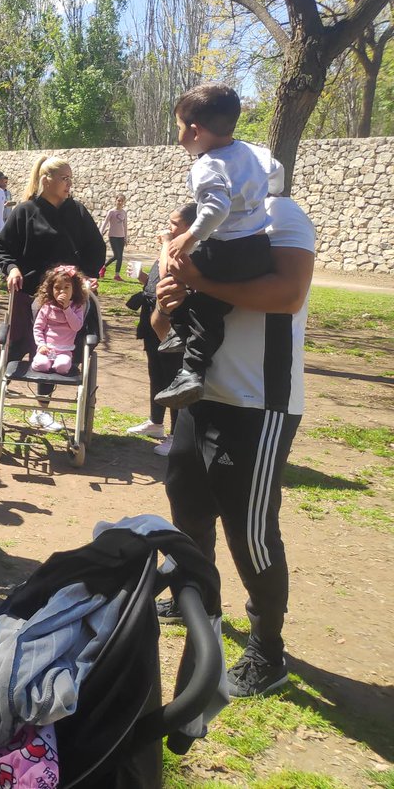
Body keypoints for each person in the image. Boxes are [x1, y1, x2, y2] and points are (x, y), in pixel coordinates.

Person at [154, 186, 315, 698]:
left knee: (250, 532)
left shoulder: (281, 218)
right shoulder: (208, 229)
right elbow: (162, 327)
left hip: (259, 401)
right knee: (187, 504)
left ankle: (268, 651)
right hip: (200, 395)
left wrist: (198, 279)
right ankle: (195, 596)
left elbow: (288, 294)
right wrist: (168, 301)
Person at [155, 83, 281, 409]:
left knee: (197, 298)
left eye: (179, 128)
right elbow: (277, 174)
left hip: (226, 248)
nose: (178, 134)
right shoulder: (255, 153)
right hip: (257, 248)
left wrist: (190, 236)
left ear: (195, 131)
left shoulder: (207, 166)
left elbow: (215, 209)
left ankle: (191, 370)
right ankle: (181, 333)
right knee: (205, 299)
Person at [0, 156, 105, 430]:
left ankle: (42, 408)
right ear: (46, 180)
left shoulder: (77, 212)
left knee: (58, 347)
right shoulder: (25, 211)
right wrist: (11, 269)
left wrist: (87, 277)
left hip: (68, 295)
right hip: (30, 292)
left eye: (70, 178)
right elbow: (2, 248)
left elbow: (96, 248)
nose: (69, 184)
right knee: (16, 342)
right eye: (64, 178)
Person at [125, 203, 198, 456]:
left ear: (190, 227)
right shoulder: (172, 247)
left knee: (173, 376)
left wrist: (167, 242)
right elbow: (157, 282)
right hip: (151, 315)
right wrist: (143, 278)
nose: (169, 227)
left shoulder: (188, 249)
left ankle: (176, 435)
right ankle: (156, 423)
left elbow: (169, 277)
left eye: (175, 223)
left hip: (173, 322)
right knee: (156, 372)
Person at [31, 265, 89, 375]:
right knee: (41, 365)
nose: (62, 291)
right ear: (51, 289)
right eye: (57, 288)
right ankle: (45, 363)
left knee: (62, 367)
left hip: (64, 351)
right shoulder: (47, 307)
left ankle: (55, 365)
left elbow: (76, 326)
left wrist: (67, 308)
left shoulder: (77, 307)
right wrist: (41, 344)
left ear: (74, 289)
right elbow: (38, 328)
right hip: (47, 350)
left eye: (67, 287)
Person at [100, 194, 129, 280]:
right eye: (118, 200)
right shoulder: (111, 212)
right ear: (115, 201)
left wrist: (125, 237)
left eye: (122, 201)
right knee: (117, 255)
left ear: (124, 202)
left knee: (120, 256)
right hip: (113, 236)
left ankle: (116, 275)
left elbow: (125, 225)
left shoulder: (124, 212)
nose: (120, 202)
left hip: (121, 236)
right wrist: (100, 233)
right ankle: (103, 267)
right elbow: (105, 223)